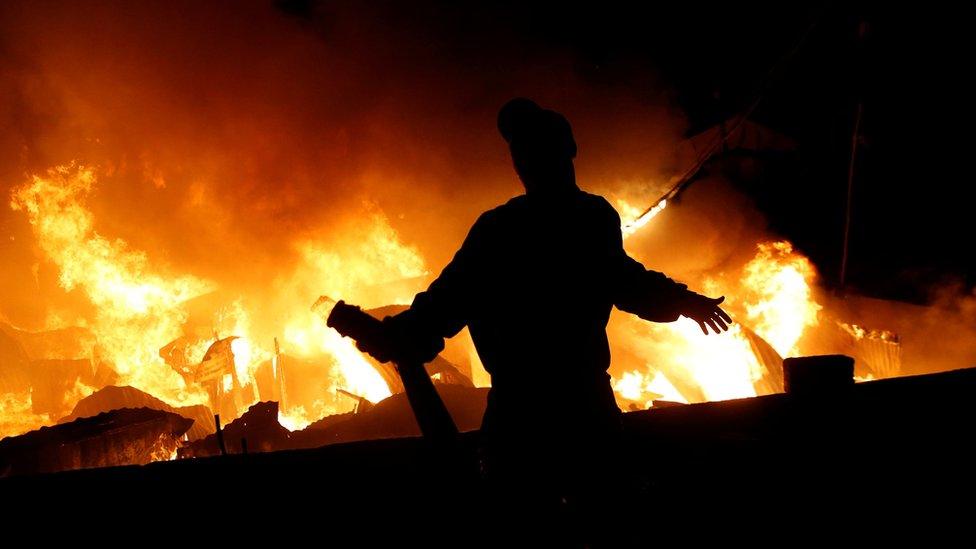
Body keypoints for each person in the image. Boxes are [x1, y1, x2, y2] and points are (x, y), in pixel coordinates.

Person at [361, 98, 731, 543]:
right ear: (570, 149)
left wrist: (400, 336)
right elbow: (626, 282)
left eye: (528, 149)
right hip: (582, 408)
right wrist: (684, 301)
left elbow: (444, 305)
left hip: (523, 416)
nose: (525, 160)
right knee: (607, 520)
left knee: (522, 528)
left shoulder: (501, 229)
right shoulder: (589, 218)